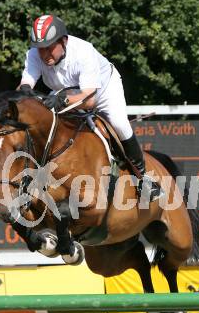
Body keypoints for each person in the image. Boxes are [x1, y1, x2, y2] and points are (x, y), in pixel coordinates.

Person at [19, 14, 160, 199]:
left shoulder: (83, 51)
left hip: (101, 91)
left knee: (119, 124)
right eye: (40, 49)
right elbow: (24, 86)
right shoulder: (34, 55)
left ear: (64, 40)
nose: (44, 54)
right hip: (65, 93)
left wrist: (61, 100)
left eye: (49, 47)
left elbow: (89, 100)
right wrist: (24, 94)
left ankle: (144, 179)